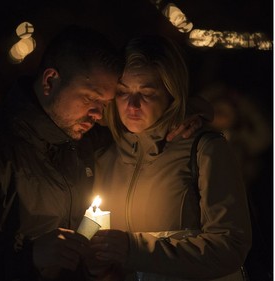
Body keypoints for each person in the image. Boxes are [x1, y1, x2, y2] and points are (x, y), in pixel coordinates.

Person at [0, 26, 203, 281]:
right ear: (50, 81)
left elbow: (147, 126)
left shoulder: (89, 141)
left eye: (104, 102)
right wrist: (29, 255)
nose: (99, 114)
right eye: (90, 98)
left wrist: (193, 110)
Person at [89, 35, 252, 281]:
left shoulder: (203, 150)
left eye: (147, 92)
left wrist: (135, 249)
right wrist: (94, 265)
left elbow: (230, 247)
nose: (132, 105)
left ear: (170, 93)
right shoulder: (104, 156)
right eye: (123, 91)